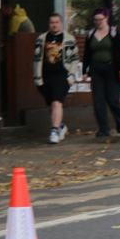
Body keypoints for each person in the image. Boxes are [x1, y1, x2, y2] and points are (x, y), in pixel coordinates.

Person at [82, 7, 120, 136]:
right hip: (96, 69)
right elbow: (87, 54)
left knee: (112, 98)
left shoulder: (113, 33)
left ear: (106, 18)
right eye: (95, 20)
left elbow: (119, 53)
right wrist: (85, 71)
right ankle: (104, 128)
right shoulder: (91, 34)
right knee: (98, 100)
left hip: (111, 69)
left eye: (100, 19)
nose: (98, 22)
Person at [33, 13, 78, 144]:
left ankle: (54, 131)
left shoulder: (69, 38)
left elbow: (75, 59)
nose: (54, 24)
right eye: (52, 22)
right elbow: (36, 59)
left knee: (57, 102)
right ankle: (61, 126)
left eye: (57, 22)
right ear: (49, 24)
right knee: (50, 105)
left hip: (62, 75)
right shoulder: (41, 39)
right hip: (45, 76)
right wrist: (37, 76)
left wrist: (71, 75)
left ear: (61, 23)